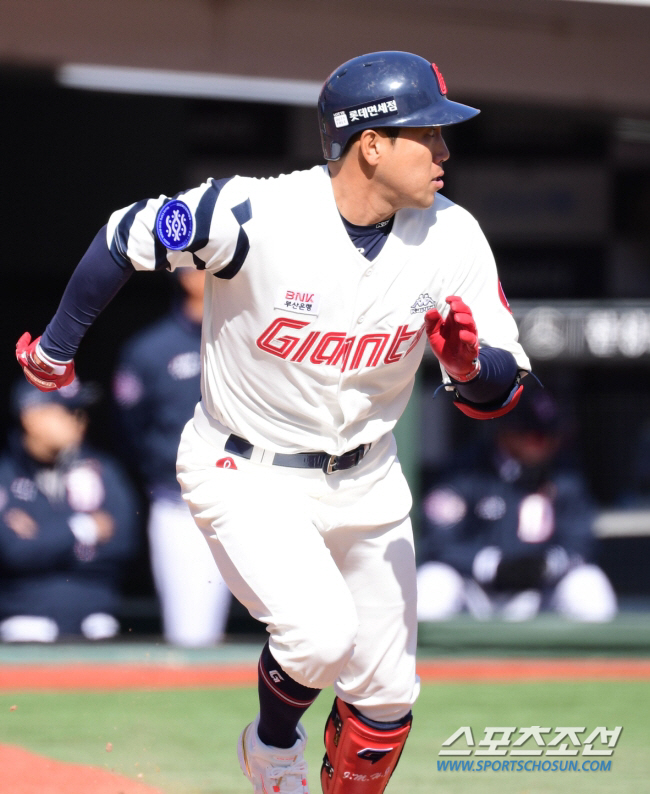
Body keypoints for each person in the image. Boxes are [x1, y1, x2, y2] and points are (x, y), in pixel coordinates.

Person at [16, 51, 531, 794]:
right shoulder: (255, 214)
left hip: (368, 476)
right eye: (427, 134)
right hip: (245, 468)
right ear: (371, 144)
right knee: (320, 637)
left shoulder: (453, 235)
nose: (444, 150)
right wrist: (56, 350)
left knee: (386, 703)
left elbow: (503, 389)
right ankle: (273, 745)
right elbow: (125, 235)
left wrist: (470, 365)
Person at [417, 387, 617, 623]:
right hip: (475, 587)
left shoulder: (565, 476)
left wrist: (549, 564)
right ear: (505, 431)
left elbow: (582, 542)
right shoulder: (466, 472)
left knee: (590, 584)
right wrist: (490, 565)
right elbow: (438, 543)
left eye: (548, 434)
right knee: (432, 582)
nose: (540, 442)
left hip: (540, 592)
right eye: (530, 433)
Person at [112, 268, 231, 647]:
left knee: (304, 631)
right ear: (184, 275)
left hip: (263, 494)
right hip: (183, 505)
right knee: (192, 636)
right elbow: (129, 432)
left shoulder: (255, 337)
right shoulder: (150, 349)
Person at [0, 379, 139, 642]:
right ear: (32, 417)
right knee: (27, 632)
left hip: (94, 616)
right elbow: (13, 552)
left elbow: (123, 544)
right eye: (69, 411)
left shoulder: (101, 470)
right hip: (24, 616)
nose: (80, 420)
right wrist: (83, 529)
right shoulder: (6, 475)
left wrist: (42, 537)